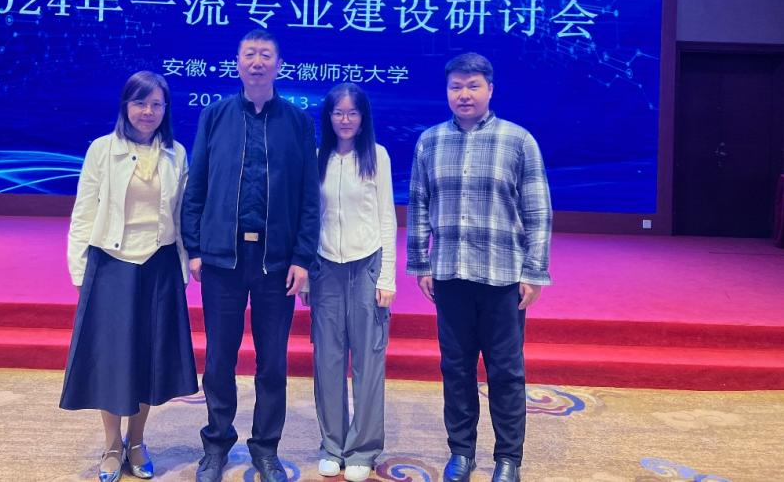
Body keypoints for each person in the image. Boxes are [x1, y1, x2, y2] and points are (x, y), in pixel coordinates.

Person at [182, 29, 320, 482]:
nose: (257, 62)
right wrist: (195, 247)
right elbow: (197, 184)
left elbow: (308, 197)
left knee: (272, 362)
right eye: (249, 54)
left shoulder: (297, 122)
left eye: (265, 55)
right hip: (222, 259)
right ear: (237, 62)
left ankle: (266, 448)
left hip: (276, 262)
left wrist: (303, 257)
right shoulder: (215, 115)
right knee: (219, 359)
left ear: (279, 65)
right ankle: (216, 445)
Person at [406, 53, 552, 482]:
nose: (464, 94)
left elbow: (538, 211)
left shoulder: (518, 140)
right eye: (456, 86)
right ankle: (461, 453)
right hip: (450, 273)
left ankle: (508, 458)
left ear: (490, 89)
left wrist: (534, 271)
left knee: (506, 371)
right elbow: (419, 205)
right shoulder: (430, 141)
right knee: (456, 369)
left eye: (472, 85)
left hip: (502, 276)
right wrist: (420, 262)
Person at [60, 71, 198, 482]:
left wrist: (185, 264)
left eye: (156, 104)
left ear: (166, 110)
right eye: (140, 103)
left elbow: (181, 216)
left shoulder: (176, 153)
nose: (148, 112)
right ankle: (111, 444)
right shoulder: (102, 150)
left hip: (159, 266)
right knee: (113, 359)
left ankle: (136, 442)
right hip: (112, 266)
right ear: (125, 106)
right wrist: (79, 270)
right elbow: (84, 212)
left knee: (148, 358)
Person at [300, 83, 397, 482]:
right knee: (328, 358)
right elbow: (309, 217)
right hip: (325, 267)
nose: (345, 120)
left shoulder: (377, 156)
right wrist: (306, 273)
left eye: (352, 113)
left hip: (367, 265)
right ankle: (332, 444)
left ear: (362, 117)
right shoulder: (316, 158)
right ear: (328, 117)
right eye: (338, 113)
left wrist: (387, 276)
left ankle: (364, 448)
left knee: (368, 361)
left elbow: (387, 217)